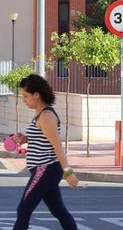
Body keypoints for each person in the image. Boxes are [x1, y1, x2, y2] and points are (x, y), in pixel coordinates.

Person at [10, 74, 79, 230]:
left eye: (26, 96)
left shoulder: (47, 116)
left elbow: (57, 146)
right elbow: (44, 138)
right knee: (58, 210)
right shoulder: (41, 114)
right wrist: (26, 138)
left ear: (37, 94)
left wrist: (68, 172)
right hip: (46, 170)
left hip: (45, 168)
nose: (24, 100)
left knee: (23, 210)